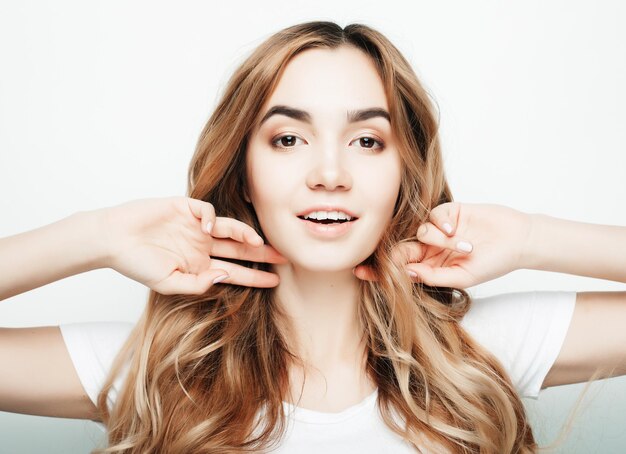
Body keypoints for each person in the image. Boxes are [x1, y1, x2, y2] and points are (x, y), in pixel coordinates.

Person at [0, 20, 625, 454]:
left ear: (403, 174)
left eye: (367, 141)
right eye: (289, 139)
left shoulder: (476, 356)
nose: (330, 174)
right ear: (243, 173)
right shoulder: (165, 372)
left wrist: (533, 239)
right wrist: (97, 236)